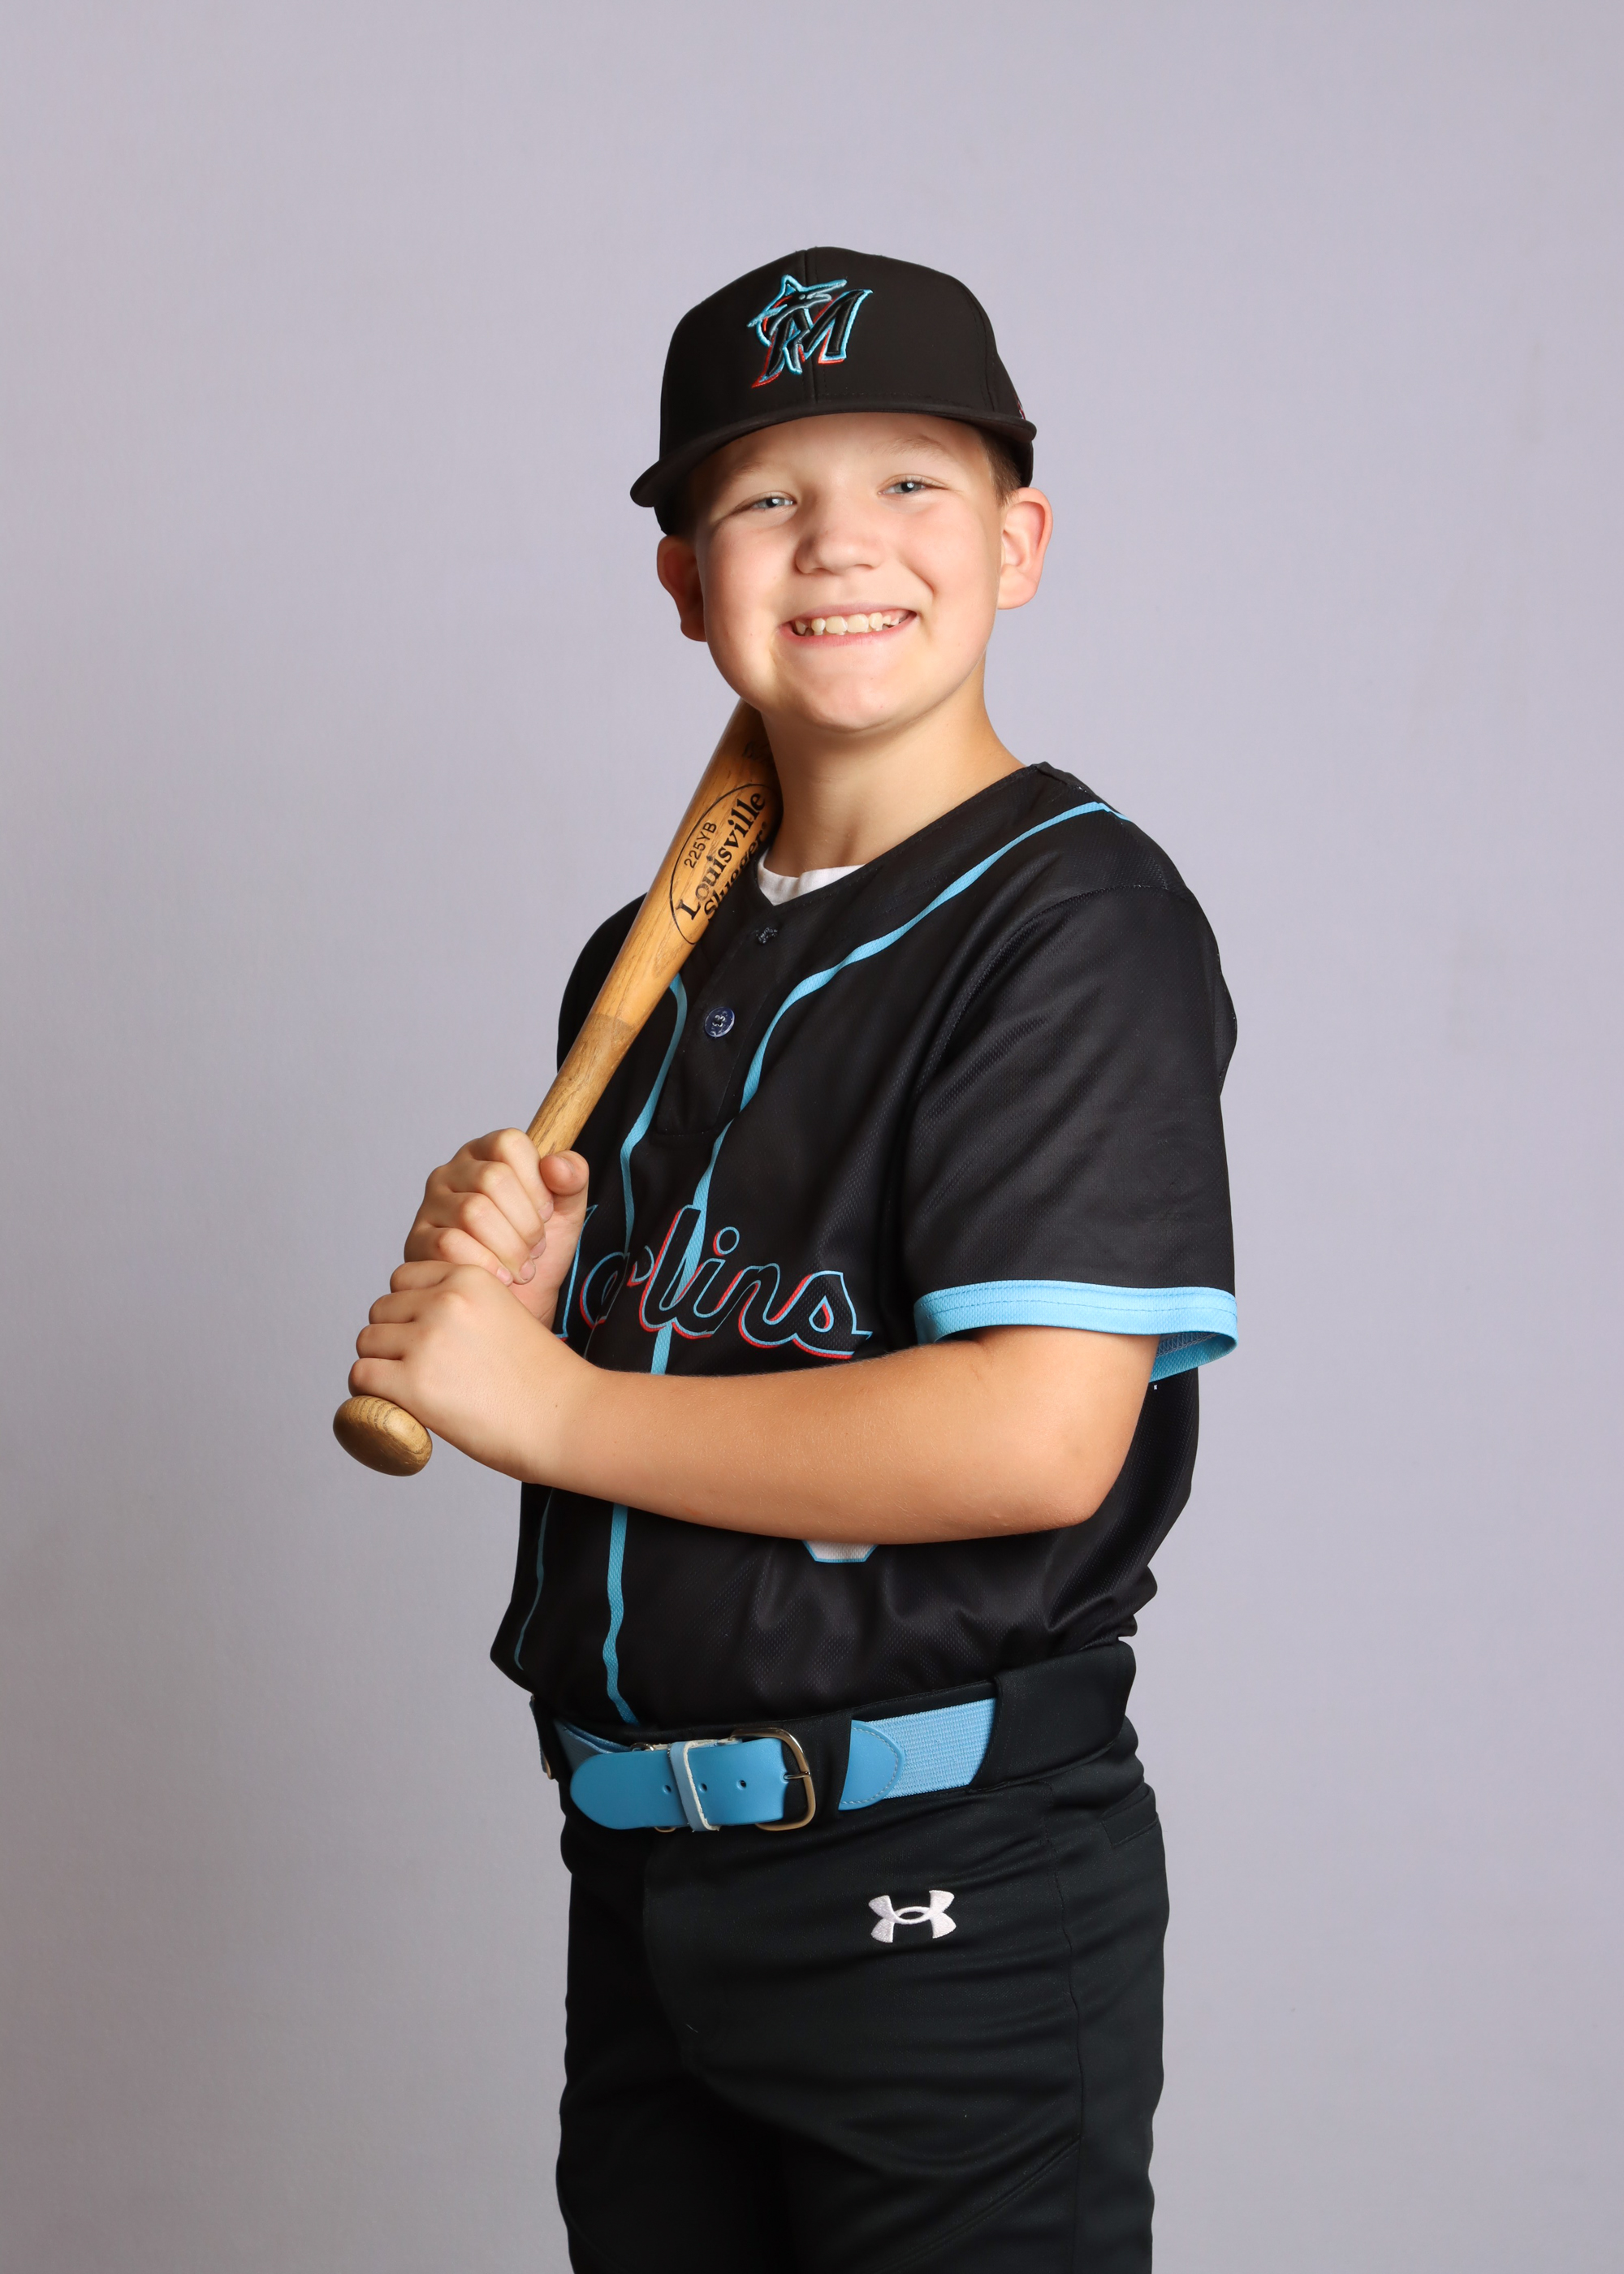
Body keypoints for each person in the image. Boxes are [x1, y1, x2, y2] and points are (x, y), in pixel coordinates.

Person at [348, 248, 1237, 2272]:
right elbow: (714, 1381)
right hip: (643, 1872)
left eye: (911, 481)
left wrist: (551, 1404)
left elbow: (1032, 1435)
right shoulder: (644, 960)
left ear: (1017, 543)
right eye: (764, 494)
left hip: (943, 1885)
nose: (840, 540)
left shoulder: (1070, 918)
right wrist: (539, 1303)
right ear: (684, 576)